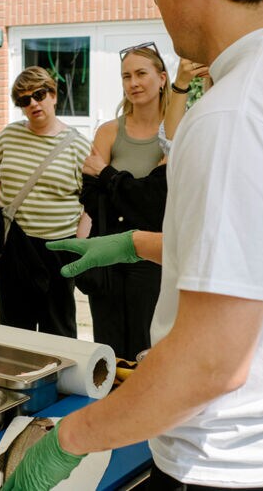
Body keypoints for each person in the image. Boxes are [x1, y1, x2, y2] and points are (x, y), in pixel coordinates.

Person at [6, 0, 263, 489]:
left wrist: (69, 440)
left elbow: (210, 362)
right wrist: (134, 244)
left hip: (242, 463)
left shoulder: (235, 114)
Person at [78, 42, 171, 361]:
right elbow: (90, 198)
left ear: (161, 78)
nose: (133, 82)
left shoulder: (173, 132)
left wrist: (107, 177)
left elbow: (156, 205)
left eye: (141, 73)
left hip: (152, 261)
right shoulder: (108, 131)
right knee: (108, 352)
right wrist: (131, 190)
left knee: (149, 350)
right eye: (126, 76)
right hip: (108, 259)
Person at [0, 66, 91, 338]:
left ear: (53, 95)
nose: (33, 103)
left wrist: (79, 246)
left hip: (58, 247)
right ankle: (21, 379)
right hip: (13, 245)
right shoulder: (9, 136)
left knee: (57, 329)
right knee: (15, 329)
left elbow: (91, 203)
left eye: (39, 94)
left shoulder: (78, 146)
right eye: (24, 100)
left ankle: (57, 381)